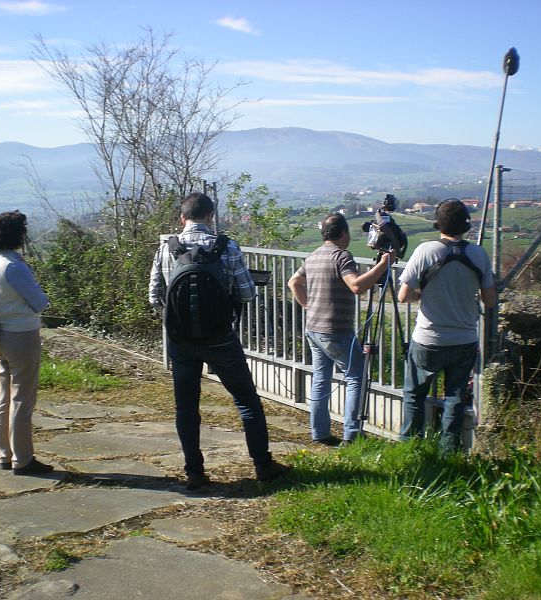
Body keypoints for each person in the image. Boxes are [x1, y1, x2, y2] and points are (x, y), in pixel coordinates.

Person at [148, 192, 290, 490]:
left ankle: (194, 472)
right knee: (247, 401)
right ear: (211, 217)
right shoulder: (227, 247)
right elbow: (248, 293)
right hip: (220, 338)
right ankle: (263, 465)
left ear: (182, 219)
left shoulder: (166, 248)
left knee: (186, 407)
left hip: (181, 341)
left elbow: (153, 296)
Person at [397, 199, 496, 452]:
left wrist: (421, 296)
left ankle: (410, 447)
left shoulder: (425, 251)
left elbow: (403, 295)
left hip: (428, 338)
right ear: (466, 225)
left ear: (437, 223)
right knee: (455, 397)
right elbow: (490, 300)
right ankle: (448, 452)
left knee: (415, 394)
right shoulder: (478, 254)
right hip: (464, 339)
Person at [287, 213, 395, 445]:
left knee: (321, 379)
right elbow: (356, 286)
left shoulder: (314, 256)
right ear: (344, 233)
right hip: (335, 329)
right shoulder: (341, 256)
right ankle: (352, 435)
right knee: (357, 376)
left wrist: (307, 305)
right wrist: (383, 264)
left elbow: (293, 283)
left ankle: (320, 433)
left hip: (314, 327)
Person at [0, 211, 53, 475]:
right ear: (17, 234)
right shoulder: (13, 265)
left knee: (4, 397)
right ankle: (23, 459)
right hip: (22, 336)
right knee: (22, 400)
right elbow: (40, 302)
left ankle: (4, 454)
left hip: (0, 335)